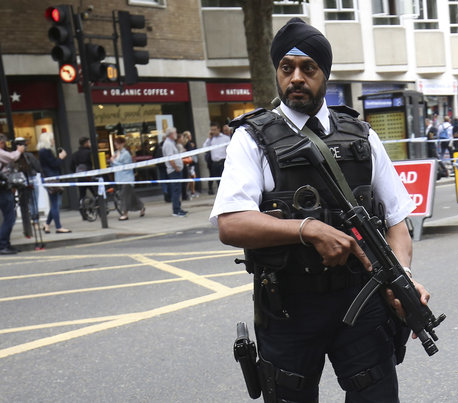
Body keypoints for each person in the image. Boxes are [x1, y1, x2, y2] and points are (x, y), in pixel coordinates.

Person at [210, 18, 430, 402]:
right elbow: (231, 223)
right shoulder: (251, 139)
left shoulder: (362, 135)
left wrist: (403, 277)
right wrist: (307, 228)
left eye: (307, 68)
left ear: (324, 74)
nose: (296, 77)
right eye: (286, 68)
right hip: (288, 307)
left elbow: (396, 222)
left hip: (362, 300)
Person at [37, 131, 71, 234]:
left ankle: (47, 224)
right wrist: (61, 157)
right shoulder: (45, 151)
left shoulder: (43, 151)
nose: (53, 141)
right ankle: (58, 227)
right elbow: (54, 164)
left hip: (51, 178)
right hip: (51, 179)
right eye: (52, 139)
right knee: (56, 203)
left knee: (56, 203)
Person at [110, 136, 145, 221]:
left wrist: (114, 161)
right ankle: (141, 207)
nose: (116, 145)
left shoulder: (126, 154)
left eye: (118, 143)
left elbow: (125, 167)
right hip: (119, 178)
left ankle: (124, 214)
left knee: (124, 196)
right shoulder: (116, 153)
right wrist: (112, 162)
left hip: (127, 178)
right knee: (132, 196)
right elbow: (113, 166)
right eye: (115, 143)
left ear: (123, 144)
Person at [162, 127, 187, 217]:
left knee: (178, 190)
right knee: (176, 190)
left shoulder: (171, 143)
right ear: (171, 134)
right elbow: (170, 158)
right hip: (174, 171)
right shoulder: (168, 144)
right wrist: (176, 168)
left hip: (176, 170)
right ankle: (176, 210)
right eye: (175, 133)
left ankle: (178, 208)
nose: (176, 134)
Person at [203, 122, 230, 195]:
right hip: (215, 163)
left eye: (214, 129)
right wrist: (209, 138)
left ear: (218, 129)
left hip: (223, 162)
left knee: (225, 180)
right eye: (212, 130)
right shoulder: (211, 139)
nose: (213, 131)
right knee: (218, 181)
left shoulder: (225, 138)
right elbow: (205, 148)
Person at [70, 136, 95, 205]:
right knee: (96, 193)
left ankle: (82, 209)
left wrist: (77, 173)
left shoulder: (75, 154)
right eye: (89, 142)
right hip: (90, 177)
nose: (90, 144)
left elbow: (71, 167)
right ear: (86, 143)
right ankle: (99, 208)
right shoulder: (89, 153)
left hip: (80, 178)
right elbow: (94, 163)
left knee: (82, 195)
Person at [183, 131, 200, 198]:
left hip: (189, 163)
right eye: (189, 135)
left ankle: (188, 192)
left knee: (190, 177)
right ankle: (191, 192)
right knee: (192, 177)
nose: (190, 137)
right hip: (189, 163)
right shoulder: (188, 143)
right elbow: (190, 152)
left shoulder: (186, 143)